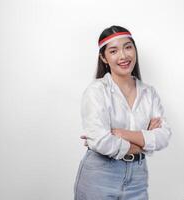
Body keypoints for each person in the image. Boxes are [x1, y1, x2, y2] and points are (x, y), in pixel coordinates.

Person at [73, 25, 172, 200]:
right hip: (100, 175)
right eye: (113, 51)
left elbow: (163, 136)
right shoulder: (96, 91)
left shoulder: (149, 93)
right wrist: (143, 143)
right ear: (104, 58)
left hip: (138, 176)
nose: (123, 56)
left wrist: (120, 133)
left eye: (128, 47)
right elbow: (101, 141)